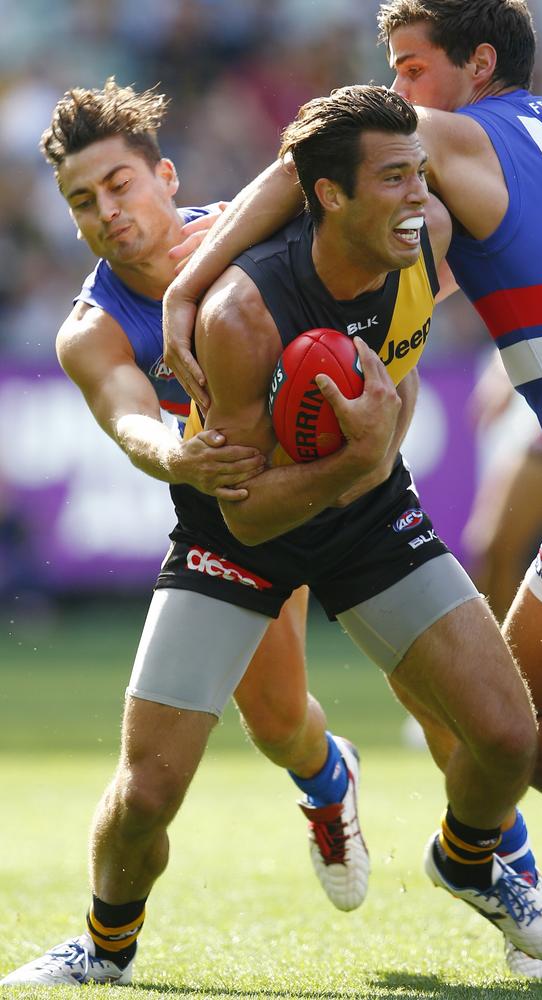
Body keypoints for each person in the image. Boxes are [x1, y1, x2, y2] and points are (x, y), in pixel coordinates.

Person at [162, 0, 542, 975]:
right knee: (502, 712)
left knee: (511, 731)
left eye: (410, 68)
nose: (397, 94)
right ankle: (479, 858)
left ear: (475, 63)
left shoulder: (449, 135)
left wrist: (188, 283)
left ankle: (469, 856)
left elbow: (308, 160)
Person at [0, 79, 375, 987]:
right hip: (236, 516)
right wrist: (179, 454)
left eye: (121, 185)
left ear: (166, 177)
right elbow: (129, 420)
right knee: (273, 726)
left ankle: (494, 861)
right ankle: (328, 783)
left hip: (351, 490)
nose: (108, 213)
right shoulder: (91, 327)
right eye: (83, 202)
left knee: (470, 705)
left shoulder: (251, 235)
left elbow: (326, 163)